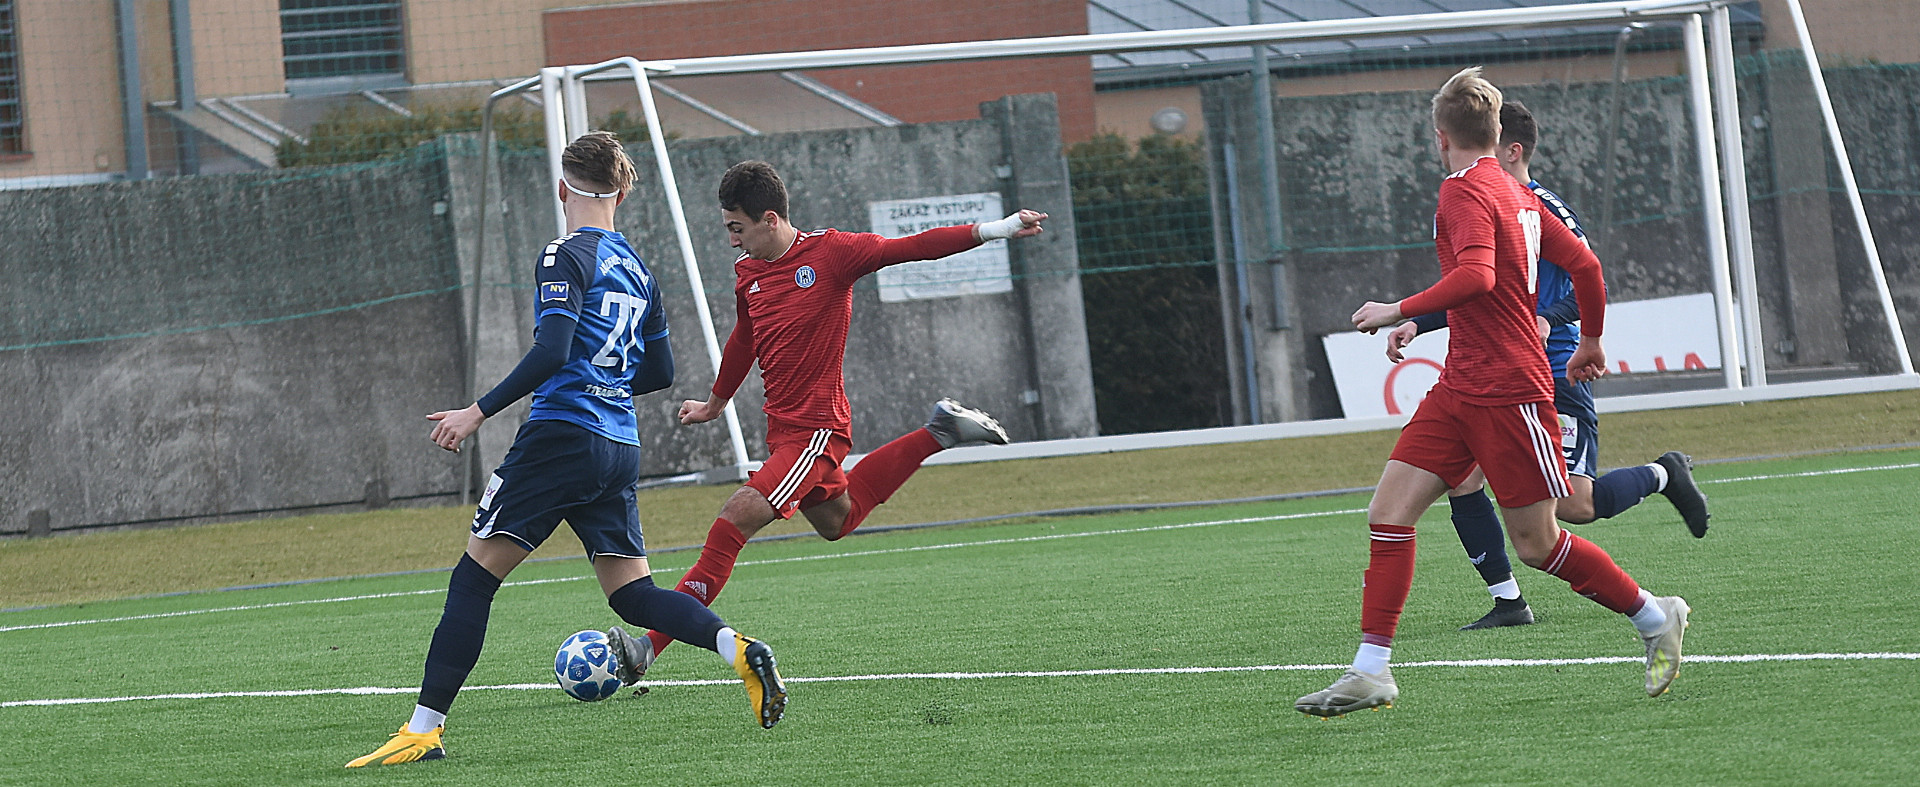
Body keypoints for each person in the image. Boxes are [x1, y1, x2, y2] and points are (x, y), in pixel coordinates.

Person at [347, 132, 785, 768]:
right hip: (618, 445)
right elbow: (660, 371)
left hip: (561, 436)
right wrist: (607, 382)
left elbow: (552, 350)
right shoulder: (640, 270)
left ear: (562, 188)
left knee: (473, 581)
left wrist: (476, 412)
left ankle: (423, 731)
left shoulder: (564, 253)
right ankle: (737, 649)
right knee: (632, 596)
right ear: (621, 194)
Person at [1294, 68, 1690, 719]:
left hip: (1510, 391)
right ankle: (1371, 669)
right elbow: (1586, 265)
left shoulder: (1460, 191)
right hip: (1459, 387)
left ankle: (1655, 614)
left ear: (1439, 135)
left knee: (1539, 544)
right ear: (1496, 131)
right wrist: (1591, 341)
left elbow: (1477, 276)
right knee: (1388, 513)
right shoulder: (1516, 192)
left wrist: (1397, 308)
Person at [619, 160, 1040, 669]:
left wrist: (1000, 228)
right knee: (837, 520)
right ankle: (940, 430)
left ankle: (647, 648)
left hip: (816, 431)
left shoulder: (833, 253)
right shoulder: (748, 271)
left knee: (731, 523)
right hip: (784, 432)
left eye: (737, 228)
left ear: (770, 219)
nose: (731, 241)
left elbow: (913, 246)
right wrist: (716, 402)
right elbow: (745, 336)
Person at [1383, 99, 1712, 631]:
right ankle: (1508, 600)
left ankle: (1662, 474)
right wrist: (1419, 323)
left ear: (1510, 150)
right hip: (1487, 377)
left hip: (1552, 370)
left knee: (1574, 506)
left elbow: (1590, 279)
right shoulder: (1482, 199)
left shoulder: (1539, 207)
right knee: (1461, 480)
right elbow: (1479, 288)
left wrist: (1552, 321)